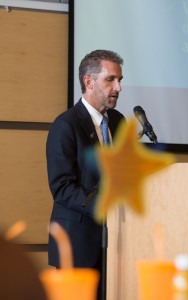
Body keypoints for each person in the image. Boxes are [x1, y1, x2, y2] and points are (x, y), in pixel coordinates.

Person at [46, 49, 125, 299]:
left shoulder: (118, 122)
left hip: (118, 245)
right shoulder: (65, 125)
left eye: (119, 80)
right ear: (88, 82)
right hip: (78, 245)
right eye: (110, 79)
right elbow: (62, 188)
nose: (118, 88)